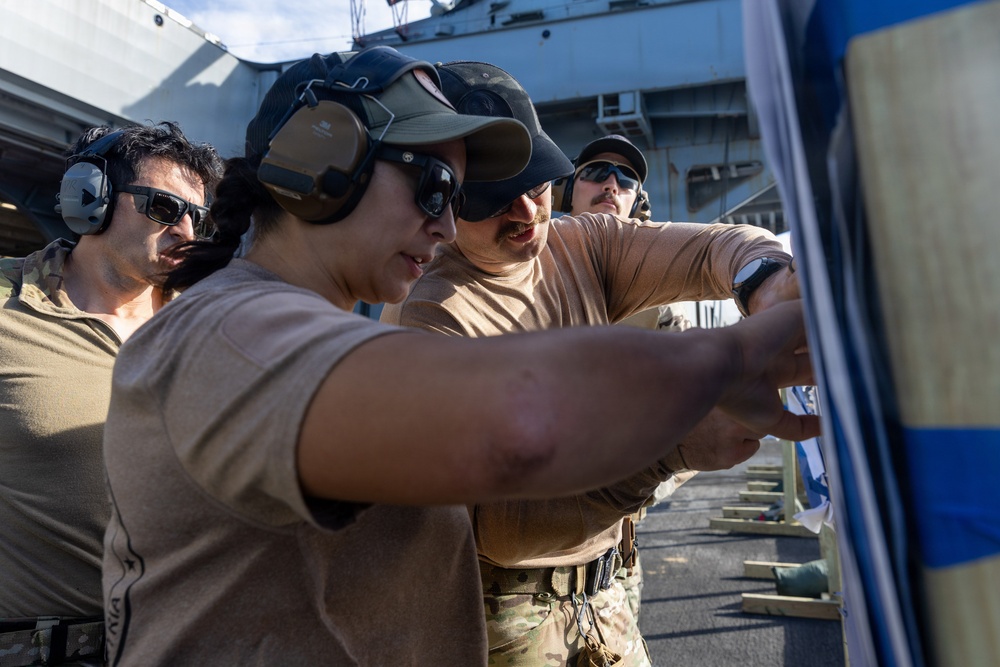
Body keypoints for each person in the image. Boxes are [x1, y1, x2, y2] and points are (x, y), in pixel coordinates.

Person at [100, 46, 817, 666]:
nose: (444, 225)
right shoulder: (228, 335)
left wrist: (761, 280)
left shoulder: (272, 322)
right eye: (436, 185)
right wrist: (729, 363)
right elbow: (517, 427)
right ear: (325, 160)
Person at [380, 61, 802, 667]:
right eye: (497, 199)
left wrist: (763, 278)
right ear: (443, 199)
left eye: (540, 183)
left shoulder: (584, 242)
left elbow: (712, 247)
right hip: (509, 622)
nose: (527, 212)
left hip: (610, 591)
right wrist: (672, 447)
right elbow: (505, 522)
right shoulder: (433, 319)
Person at [0, 122, 222, 666]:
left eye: (198, 216)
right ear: (89, 196)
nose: (187, 233)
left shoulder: (213, 324)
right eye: (165, 208)